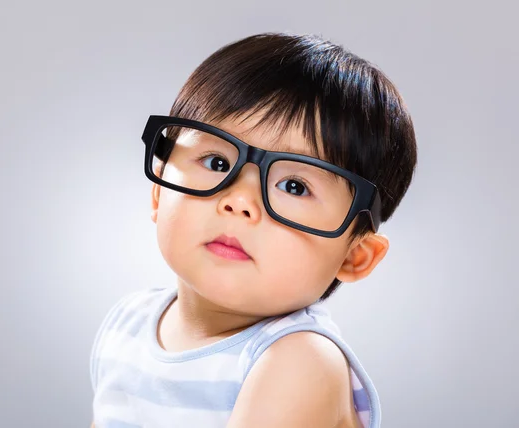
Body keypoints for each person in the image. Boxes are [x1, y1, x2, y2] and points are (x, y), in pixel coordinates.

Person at [90, 32, 417, 428]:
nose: (240, 200)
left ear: (353, 255)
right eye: (215, 161)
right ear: (158, 192)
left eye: (294, 186)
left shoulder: (298, 361)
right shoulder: (129, 323)